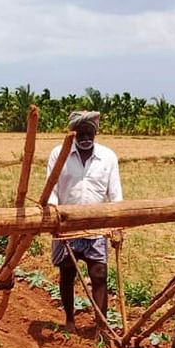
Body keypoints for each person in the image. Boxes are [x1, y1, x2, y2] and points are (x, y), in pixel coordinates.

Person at [46, 111, 123, 333]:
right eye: (81, 133)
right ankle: (70, 319)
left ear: (95, 133)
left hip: (96, 226)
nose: (86, 137)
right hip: (66, 226)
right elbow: (52, 187)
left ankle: (101, 326)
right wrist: (53, 215)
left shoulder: (108, 157)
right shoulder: (58, 154)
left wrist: (118, 224)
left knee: (99, 274)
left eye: (90, 132)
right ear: (73, 134)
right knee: (67, 274)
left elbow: (115, 194)